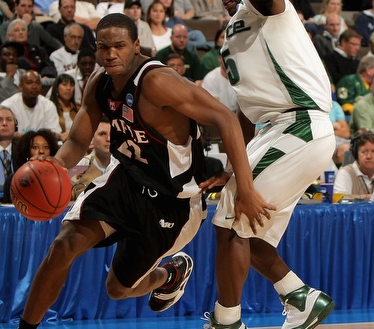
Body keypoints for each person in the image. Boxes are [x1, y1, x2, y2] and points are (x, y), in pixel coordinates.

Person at [17, 13, 272, 329]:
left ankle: (169, 274)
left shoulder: (157, 82)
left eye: (119, 46)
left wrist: (243, 187)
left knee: (117, 289)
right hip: (125, 180)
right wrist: (56, 165)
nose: (110, 54)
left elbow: (227, 119)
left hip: (173, 201)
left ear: (136, 45)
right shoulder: (99, 83)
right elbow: (77, 141)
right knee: (63, 246)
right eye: (103, 47)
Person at [201, 0, 335, 328]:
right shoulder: (232, 34)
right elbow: (245, 112)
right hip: (273, 130)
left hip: (298, 123)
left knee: (230, 224)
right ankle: (301, 298)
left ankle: (227, 322)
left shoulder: (266, 8)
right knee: (251, 233)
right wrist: (236, 166)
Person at [1, 70, 62, 139]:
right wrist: (33, 137)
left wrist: (52, 134)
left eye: (38, 83)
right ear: (20, 86)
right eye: (29, 83)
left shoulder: (48, 105)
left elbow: (57, 134)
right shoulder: (8, 106)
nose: (34, 86)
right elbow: (4, 134)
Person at [2, 128, 59, 203]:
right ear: (27, 152)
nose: (41, 151)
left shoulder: (57, 179)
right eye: (35, 147)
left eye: (46, 147)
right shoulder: (13, 181)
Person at [71, 114, 118, 199]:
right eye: (102, 134)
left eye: (111, 133)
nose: (108, 138)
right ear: (92, 138)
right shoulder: (81, 165)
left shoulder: (123, 165)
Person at [0, 41, 26, 107]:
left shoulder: (23, 73)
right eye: (7, 55)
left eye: (15, 55)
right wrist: (9, 76)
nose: (11, 57)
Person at [334, 132, 374, 200]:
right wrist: (369, 197)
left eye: (373, 151)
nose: (369, 156)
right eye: (364, 152)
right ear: (356, 154)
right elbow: (339, 199)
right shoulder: (345, 173)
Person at [49, 73, 79, 142]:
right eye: (64, 84)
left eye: (71, 85)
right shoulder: (50, 109)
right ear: (56, 88)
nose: (69, 88)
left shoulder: (78, 109)